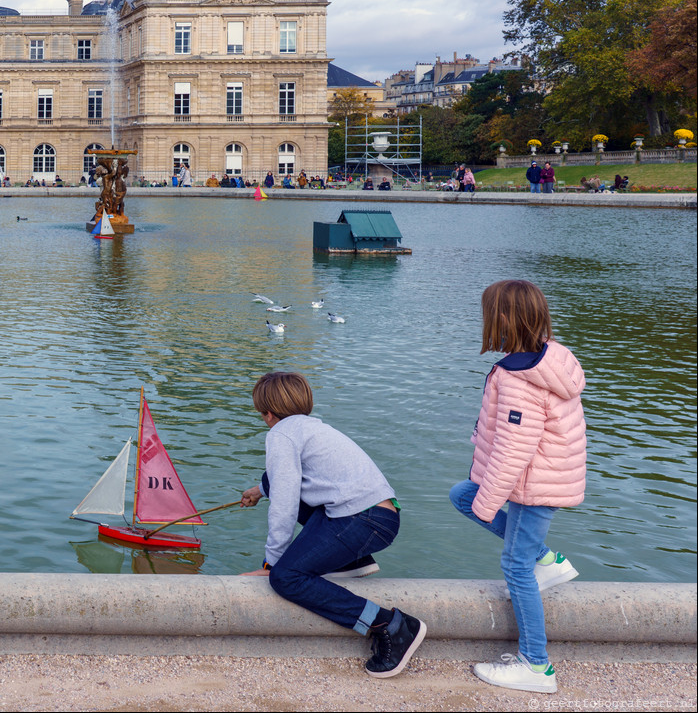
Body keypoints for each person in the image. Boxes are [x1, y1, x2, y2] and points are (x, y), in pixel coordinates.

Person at [239, 372, 426, 679]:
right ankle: (354, 560)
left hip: (362, 521)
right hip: (380, 515)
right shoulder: (312, 427)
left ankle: (390, 626)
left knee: (287, 578)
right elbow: (291, 481)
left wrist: (271, 563)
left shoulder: (280, 434)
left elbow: (285, 504)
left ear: (267, 413)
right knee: (280, 490)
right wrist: (260, 490)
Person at [449, 280, 586, 695]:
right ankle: (548, 560)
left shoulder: (518, 377)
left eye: (489, 313)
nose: (486, 321)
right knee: (462, 495)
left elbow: (514, 450)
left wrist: (490, 503)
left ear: (504, 319)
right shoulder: (551, 356)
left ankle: (536, 665)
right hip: (549, 476)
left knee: (515, 567)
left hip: (534, 485)